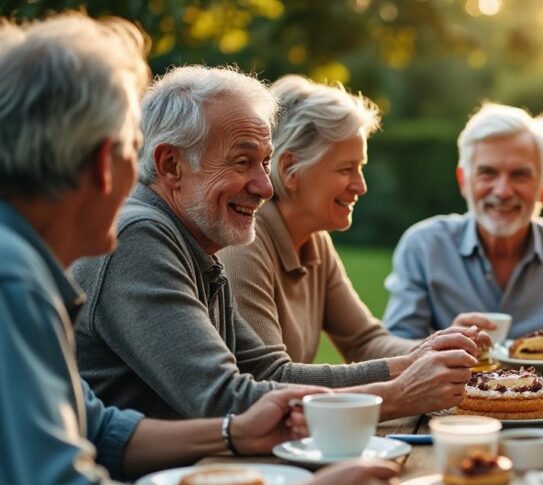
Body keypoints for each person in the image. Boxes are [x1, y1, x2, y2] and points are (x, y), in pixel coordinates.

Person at [0, 14, 396, 485]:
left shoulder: (30, 265)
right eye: (129, 150)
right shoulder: (16, 279)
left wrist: (235, 432)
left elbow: (100, 428)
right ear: (101, 163)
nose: (137, 179)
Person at [71, 65, 482, 420]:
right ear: (171, 165)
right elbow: (224, 399)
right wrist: (397, 396)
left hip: (189, 475)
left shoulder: (198, 242)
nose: (265, 188)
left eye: (263, 163)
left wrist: (408, 365)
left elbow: (268, 371)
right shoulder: (139, 237)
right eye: (242, 161)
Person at [221, 75, 485, 364]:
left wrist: (438, 346)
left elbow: (365, 341)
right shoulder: (246, 244)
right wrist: (398, 384)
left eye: (360, 168)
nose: (361, 186)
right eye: (347, 169)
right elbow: (270, 377)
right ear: (290, 170)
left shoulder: (315, 243)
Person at [382, 102, 543, 341]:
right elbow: (396, 350)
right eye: (487, 173)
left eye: (519, 175)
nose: (502, 191)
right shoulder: (424, 247)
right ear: (463, 181)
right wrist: (440, 342)